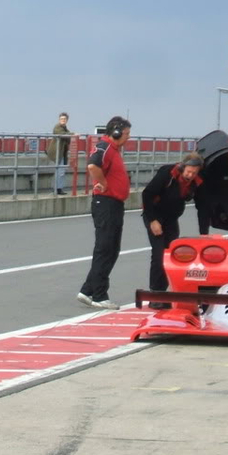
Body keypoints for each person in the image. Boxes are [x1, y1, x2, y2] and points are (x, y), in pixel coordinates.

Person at [77, 116, 132, 310]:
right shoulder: (105, 147)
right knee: (105, 248)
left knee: (111, 248)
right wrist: (104, 183)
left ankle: (87, 290)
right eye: (126, 134)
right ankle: (99, 294)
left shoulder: (113, 149)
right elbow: (93, 165)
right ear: (116, 132)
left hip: (113, 203)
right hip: (106, 203)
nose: (128, 138)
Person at [141, 152, 205, 309]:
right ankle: (155, 294)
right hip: (155, 215)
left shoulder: (196, 182)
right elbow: (147, 194)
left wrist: (204, 232)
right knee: (158, 255)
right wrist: (153, 221)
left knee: (170, 255)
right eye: (188, 171)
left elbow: (202, 207)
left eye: (194, 172)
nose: (190, 175)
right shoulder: (167, 174)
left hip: (171, 218)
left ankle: (163, 293)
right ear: (183, 167)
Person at [45, 111, 74, 195]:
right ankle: (57, 189)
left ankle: (58, 188)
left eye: (64, 119)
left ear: (67, 120)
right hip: (57, 153)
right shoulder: (57, 127)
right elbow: (61, 134)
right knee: (59, 171)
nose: (63, 120)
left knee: (61, 171)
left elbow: (67, 137)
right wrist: (72, 134)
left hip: (61, 153)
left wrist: (70, 134)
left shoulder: (65, 128)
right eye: (61, 119)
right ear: (59, 119)